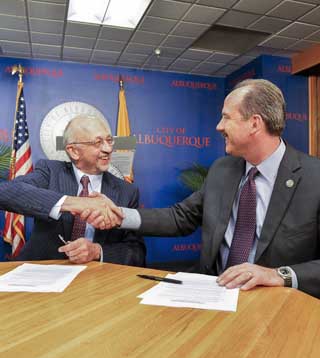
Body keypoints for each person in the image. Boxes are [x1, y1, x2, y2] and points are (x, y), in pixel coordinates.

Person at [81, 79, 320, 298]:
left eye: (226, 117)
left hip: (278, 306)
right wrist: (119, 215)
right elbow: (180, 218)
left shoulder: (314, 177)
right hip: (214, 294)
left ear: (254, 123)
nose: (219, 126)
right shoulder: (222, 170)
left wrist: (278, 275)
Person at [0, 115, 145, 266]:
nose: (108, 149)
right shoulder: (50, 171)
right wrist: (75, 203)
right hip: (43, 274)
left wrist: (97, 251)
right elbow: (6, 192)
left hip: (96, 280)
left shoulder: (127, 191)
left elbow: (137, 252)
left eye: (109, 140)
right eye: (98, 142)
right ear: (74, 151)